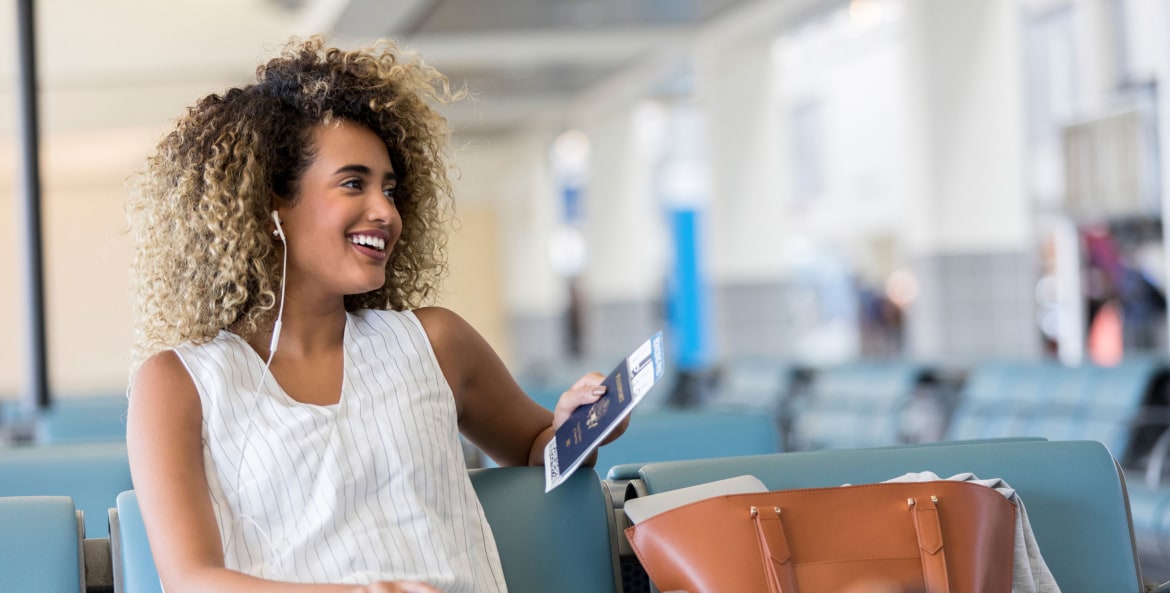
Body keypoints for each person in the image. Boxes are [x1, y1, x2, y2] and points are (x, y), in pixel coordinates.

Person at [125, 36, 624, 593]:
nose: (385, 210)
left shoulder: (435, 343)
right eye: (353, 183)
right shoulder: (177, 384)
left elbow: (538, 453)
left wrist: (582, 424)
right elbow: (192, 581)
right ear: (271, 207)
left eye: (389, 188)